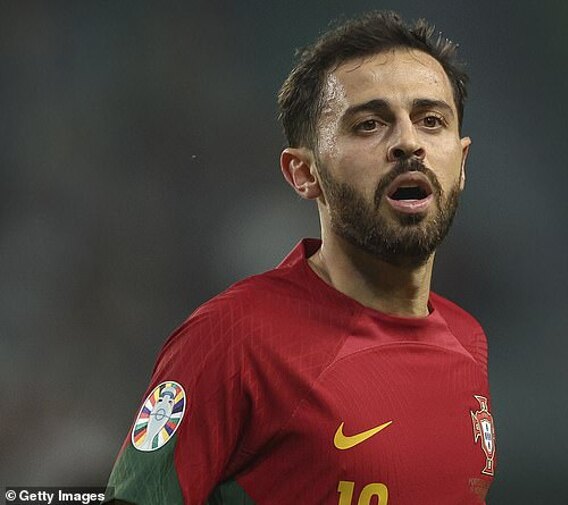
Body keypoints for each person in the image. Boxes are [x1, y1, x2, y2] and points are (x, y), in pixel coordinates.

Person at [105, 10, 496, 504]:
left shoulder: (468, 340)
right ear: (304, 174)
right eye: (369, 124)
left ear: (462, 162)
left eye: (431, 121)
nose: (408, 143)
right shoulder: (236, 338)